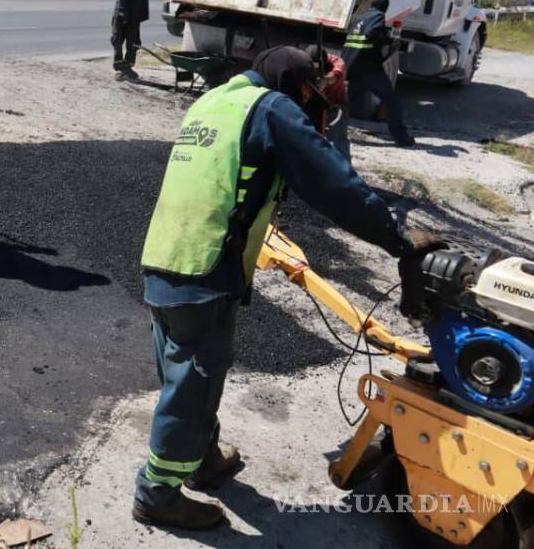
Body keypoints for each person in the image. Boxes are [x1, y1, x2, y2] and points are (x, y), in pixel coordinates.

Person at [133, 45, 440, 530]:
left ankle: (202, 458)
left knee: (196, 375)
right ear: (296, 84)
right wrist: (397, 238)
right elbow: (331, 183)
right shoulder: (271, 108)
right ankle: (157, 492)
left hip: (165, 258)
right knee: (191, 385)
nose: (313, 105)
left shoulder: (215, 101)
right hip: (204, 269)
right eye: (311, 94)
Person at [344, 0, 415, 147]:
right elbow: (373, 34)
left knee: (344, 104)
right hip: (369, 70)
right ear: (385, 7)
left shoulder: (359, 18)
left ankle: (327, 130)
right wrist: (389, 40)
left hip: (352, 68)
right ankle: (401, 138)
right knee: (392, 102)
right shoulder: (377, 16)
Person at [112, 0, 182, 79]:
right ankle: (119, 67)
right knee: (117, 40)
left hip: (134, 17)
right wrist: (123, 14)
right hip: (121, 15)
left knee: (133, 43)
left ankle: (127, 67)